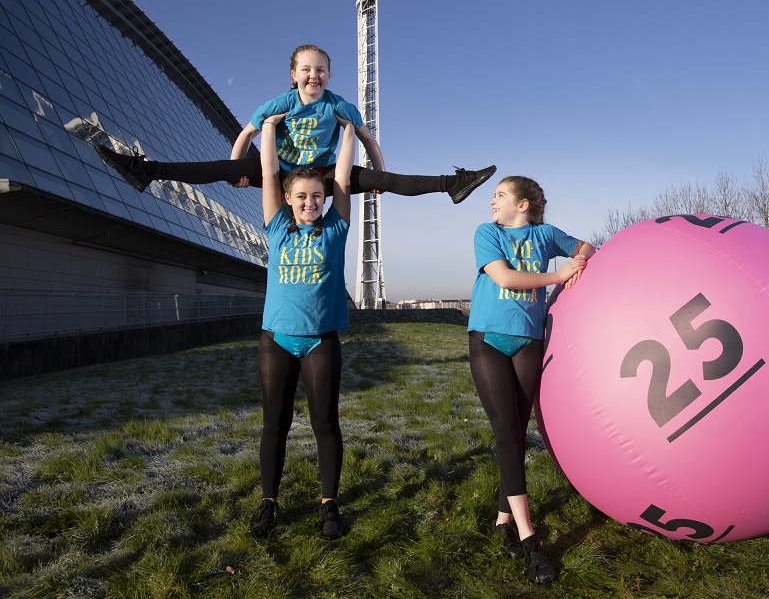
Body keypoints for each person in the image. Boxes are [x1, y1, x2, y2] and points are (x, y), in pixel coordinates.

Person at [91, 43, 495, 204]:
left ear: (329, 75)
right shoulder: (280, 103)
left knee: (386, 181)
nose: (314, 75)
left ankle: (453, 185)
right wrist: (237, 172)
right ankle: (145, 171)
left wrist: (379, 176)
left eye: (321, 70)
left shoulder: (340, 106)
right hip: (278, 168)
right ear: (293, 75)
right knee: (220, 167)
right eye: (306, 70)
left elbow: (369, 140)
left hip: (320, 172)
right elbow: (247, 133)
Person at [466, 175, 595, 584]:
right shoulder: (487, 233)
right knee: (506, 431)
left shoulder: (545, 235)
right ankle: (528, 538)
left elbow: (586, 247)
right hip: (488, 339)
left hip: (529, 342)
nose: (492, 201)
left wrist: (579, 263)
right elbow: (504, 278)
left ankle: (504, 520)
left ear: (522, 205)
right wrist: (559, 277)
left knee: (518, 434)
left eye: (500, 195)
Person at [248, 111, 353, 540]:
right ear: (289, 199)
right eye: (302, 196)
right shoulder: (277, 228)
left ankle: (329, 506)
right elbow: (269, 170)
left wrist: (348, 130)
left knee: (325, 423)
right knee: (276, 423)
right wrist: (268, 129)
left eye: (317, 196)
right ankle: (268, 503)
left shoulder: (335, 230)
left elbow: (343, 175)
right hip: (277, 340)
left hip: (321, 343)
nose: (311, 203)